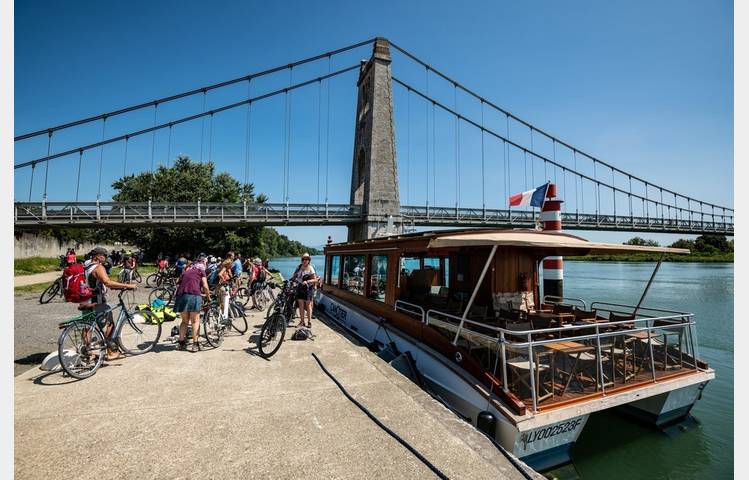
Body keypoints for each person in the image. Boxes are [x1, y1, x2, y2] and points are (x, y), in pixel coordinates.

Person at [82, 247, 138, 361]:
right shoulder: (98, 267)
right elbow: (107, 282)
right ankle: (111, 352)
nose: (106, 258)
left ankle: (88, 353)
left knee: (88, 327)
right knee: (110, 324)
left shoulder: (86, 265)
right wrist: (128, 286)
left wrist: (110, 286)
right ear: (98, 256)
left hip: (85, 300)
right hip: (97, 301)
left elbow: (97, 281)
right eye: (104, 256)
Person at [174, 256, 211, 352]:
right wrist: (208, 296)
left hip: (181, 295)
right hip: (193, 295)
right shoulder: (201, 271)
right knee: (195, 321)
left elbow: (179, 282)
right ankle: (195, 344)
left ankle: (181, 343)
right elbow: (205, 286)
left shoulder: (187, 270)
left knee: (184, 321)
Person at [292, 253, 317, 329]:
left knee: (308, 305)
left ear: (309, 260)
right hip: (300, 287)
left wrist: (307, 281)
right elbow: (294, 276)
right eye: (303, 259)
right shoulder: (299, 267)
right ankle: (302, 321)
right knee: (300, 305)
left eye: (306, 259)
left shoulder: (310, 268)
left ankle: (309, 322)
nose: (305, 261)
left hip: (308, 289)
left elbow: (315, 279)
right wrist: (293, 281)